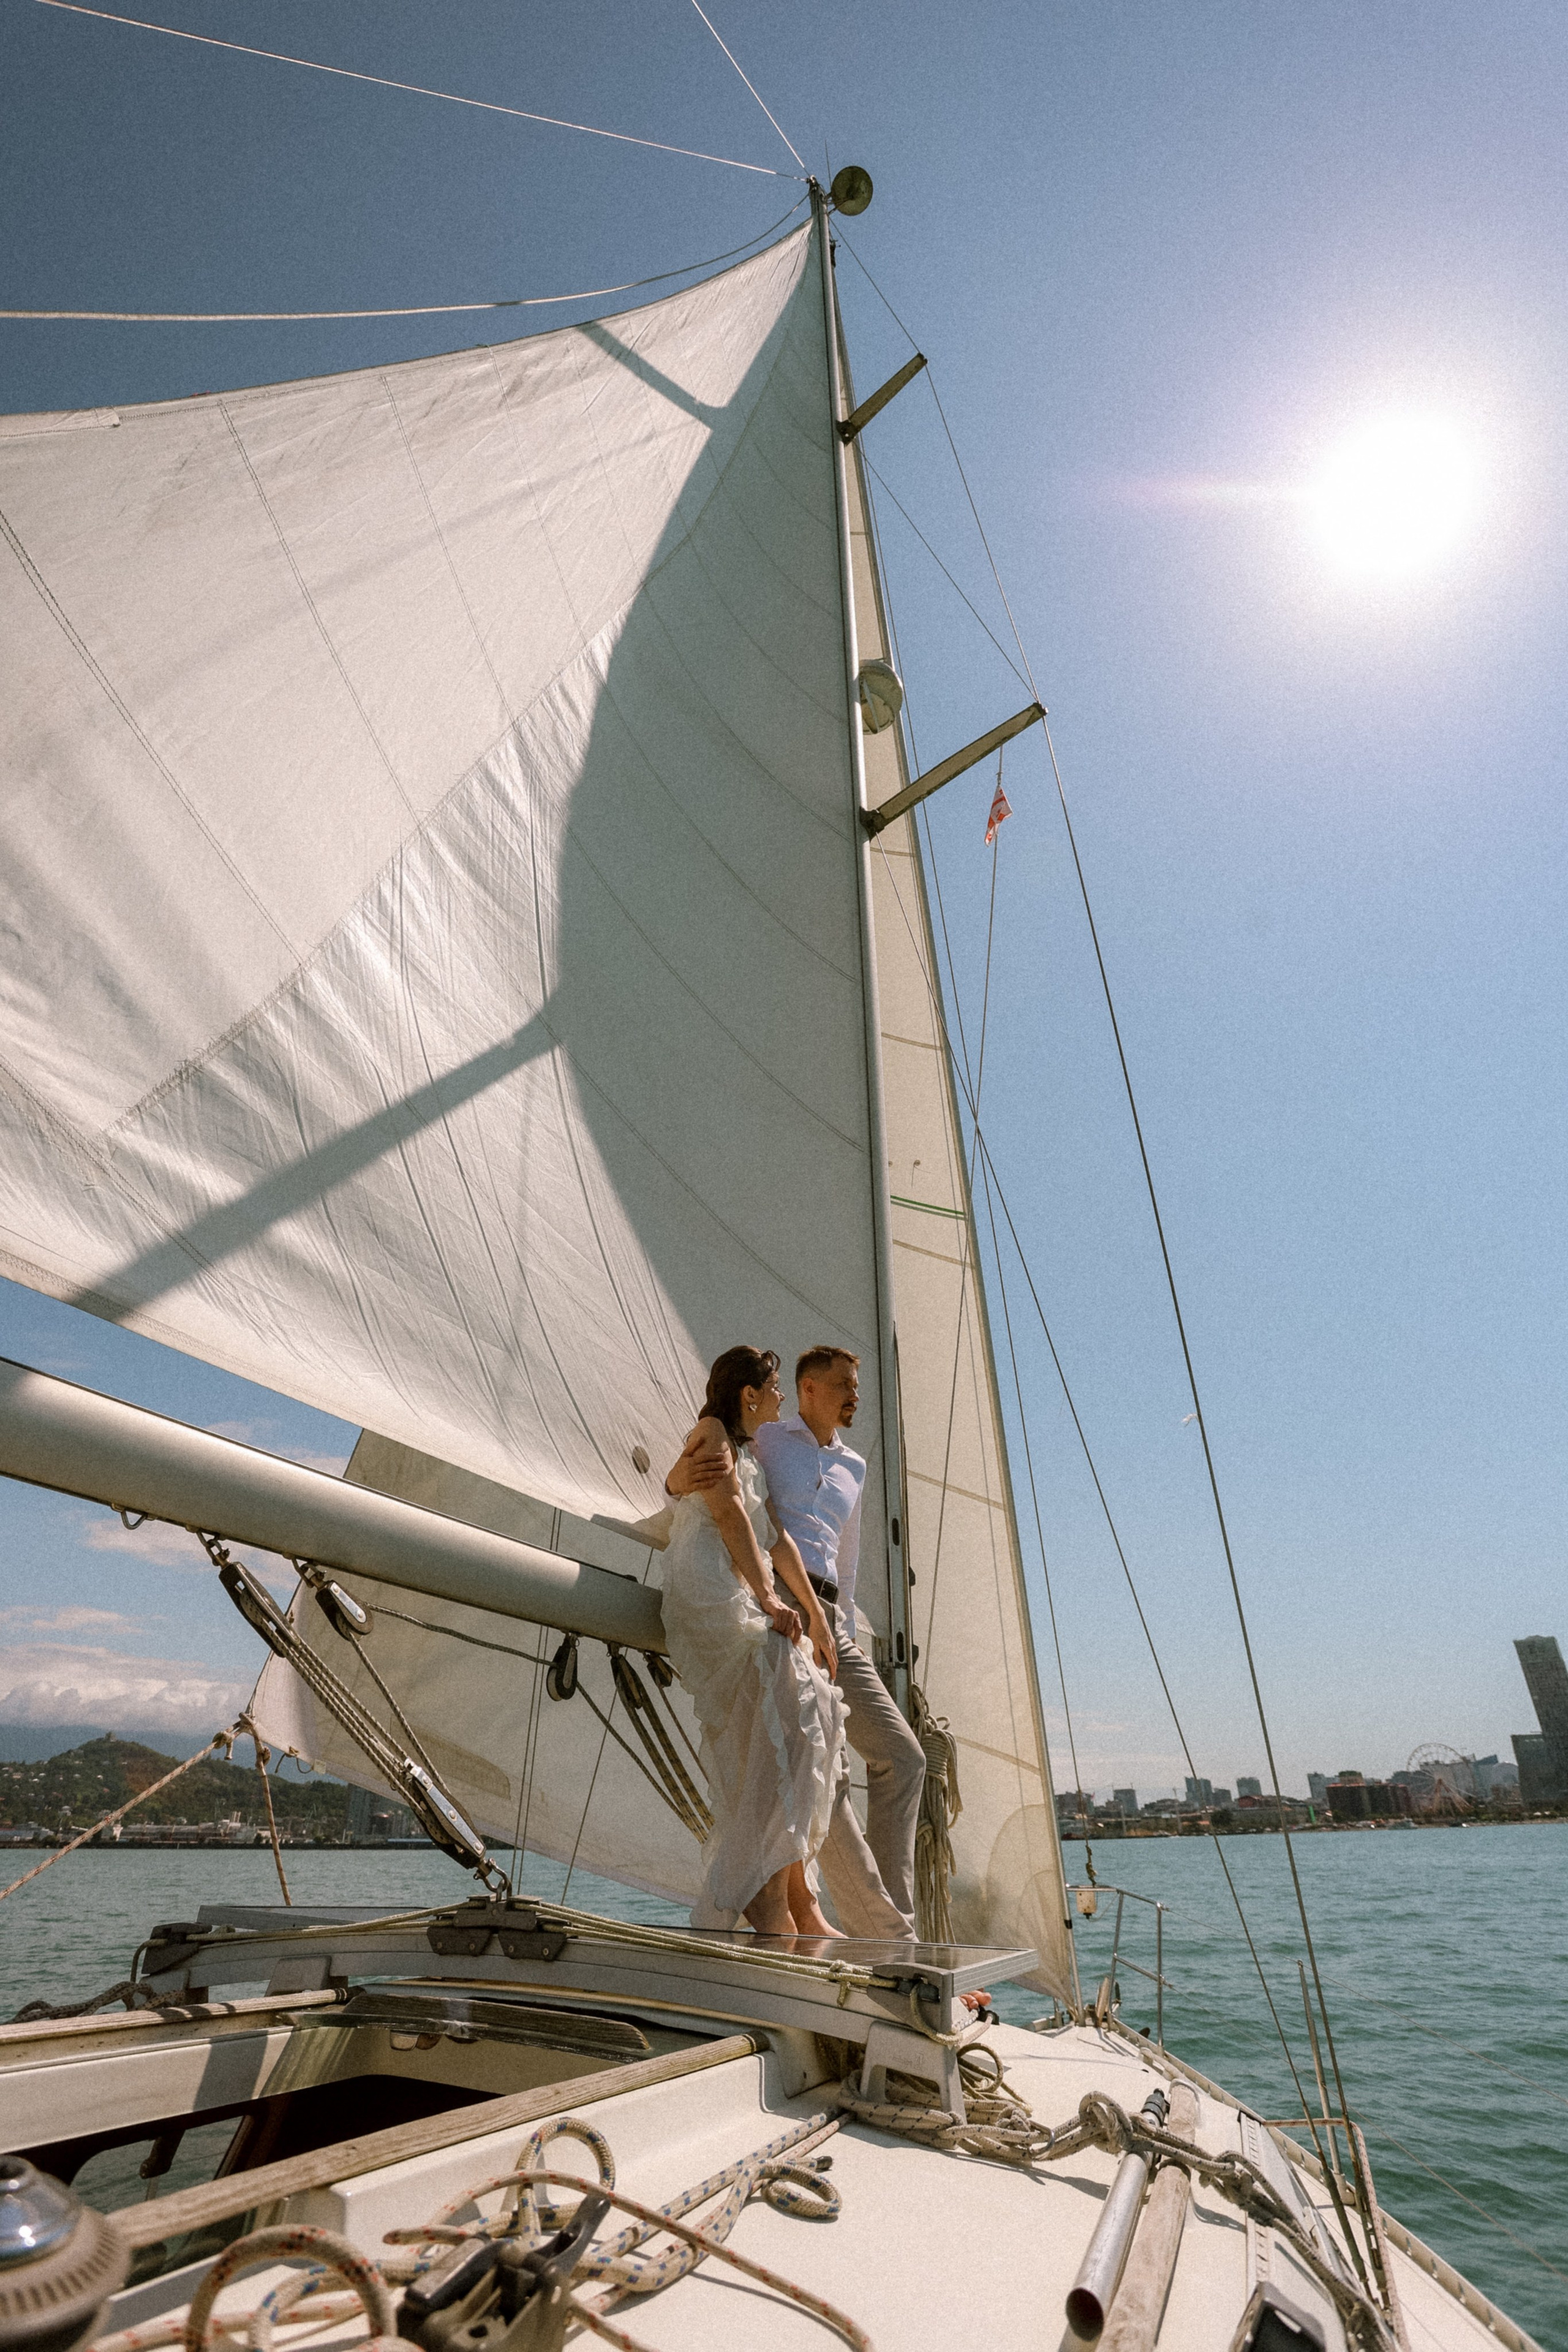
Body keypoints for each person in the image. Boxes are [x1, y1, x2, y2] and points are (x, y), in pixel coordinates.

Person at [666, 1345, 925, 1939]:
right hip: (765, 1598)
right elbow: (722, 1504)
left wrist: (831, 1623)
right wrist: (672, 1479)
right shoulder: (766, 1440)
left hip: (828, 1611)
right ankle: (873, 1934)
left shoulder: (854, 1466)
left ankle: (876, 1923)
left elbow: (830, 1549)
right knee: (817, 1761)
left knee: (901, 1757)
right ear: (807, 1390)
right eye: (845, 1384)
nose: (855, 1395)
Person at [658, 1343, 848, 1936]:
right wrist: (769, 1601)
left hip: (735, 1587)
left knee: (814, 1704)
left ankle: (795, 1892)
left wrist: (814, 1616)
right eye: (772, 1387)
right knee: (783, 1685)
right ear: (748, 1396)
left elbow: (776, 1539)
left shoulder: (742, 1451)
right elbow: (730, 1517)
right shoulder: (712, 1432)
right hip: (709, 1592)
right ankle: (762, 1893)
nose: (780, 1397)